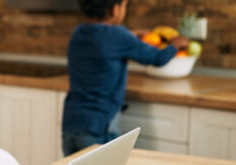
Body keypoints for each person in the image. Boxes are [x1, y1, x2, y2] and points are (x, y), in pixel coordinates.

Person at [62, 0, 188, 156]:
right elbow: (157, 58)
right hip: (99, 127)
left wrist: (130, 36)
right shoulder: (119, 36)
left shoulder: (78, 32)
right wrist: (175, 45)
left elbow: (104, 40)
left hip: (71, 123)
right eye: (124, 6)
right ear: (114, 10)